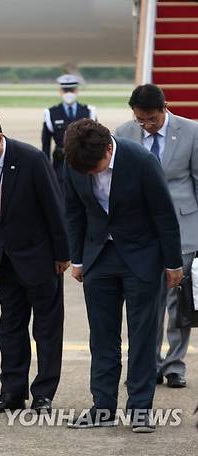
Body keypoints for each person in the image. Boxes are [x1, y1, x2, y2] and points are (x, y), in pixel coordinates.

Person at [64, 119, 182, 433]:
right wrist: (77, 258)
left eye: (96, 167)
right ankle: (102, 407)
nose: (91, 174)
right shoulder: (76, 160)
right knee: (102, 337)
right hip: (98, 257)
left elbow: (164, 213)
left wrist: (172, 263)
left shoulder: (141, 160)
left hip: (142, 257)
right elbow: (73, 211)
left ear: (108, 148)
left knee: (143, 336)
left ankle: (140, 410)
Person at [0, 112, 69, 413]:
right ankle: (12, 391)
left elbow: (54, 208)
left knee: (46, 329)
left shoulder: (31, 159)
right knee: (10, 327)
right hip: (2, 261)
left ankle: (44, 393)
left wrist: (62, 254)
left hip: (40, 258)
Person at [115, 84, 197, 389]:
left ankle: (175, 365)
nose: (146, 125)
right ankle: (148, 364)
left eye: (151, 119)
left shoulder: (191, 132)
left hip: (183, 228)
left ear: (164, 109)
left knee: (180, 304)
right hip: (142, 233)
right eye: (141, 120)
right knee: (147, 305)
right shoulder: (123, 133)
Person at [42, 74, 97, 190]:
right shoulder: (50, 113)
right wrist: (47, 169)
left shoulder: (89, 112)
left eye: (71, 90)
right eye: (65, 90)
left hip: (84, 164)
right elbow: (45, 145)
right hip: (60, 165)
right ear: (60, 91)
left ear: (77, 90)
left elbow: (96, 140)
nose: (68, 93)